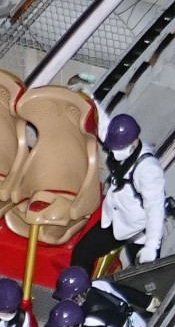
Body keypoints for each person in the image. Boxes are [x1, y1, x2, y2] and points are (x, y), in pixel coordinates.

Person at [71, 114, 166, 274]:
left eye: (119, 148)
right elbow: (102, 125)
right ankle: (80, 293)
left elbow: (156, 210)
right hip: (116, 220)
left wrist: (151, 245)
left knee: (145, 278)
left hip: (139, 229)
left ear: (134, 141)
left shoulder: (148, 170)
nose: (115, 153)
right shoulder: (119, 142)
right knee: (82, 253)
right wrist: (89, 98)